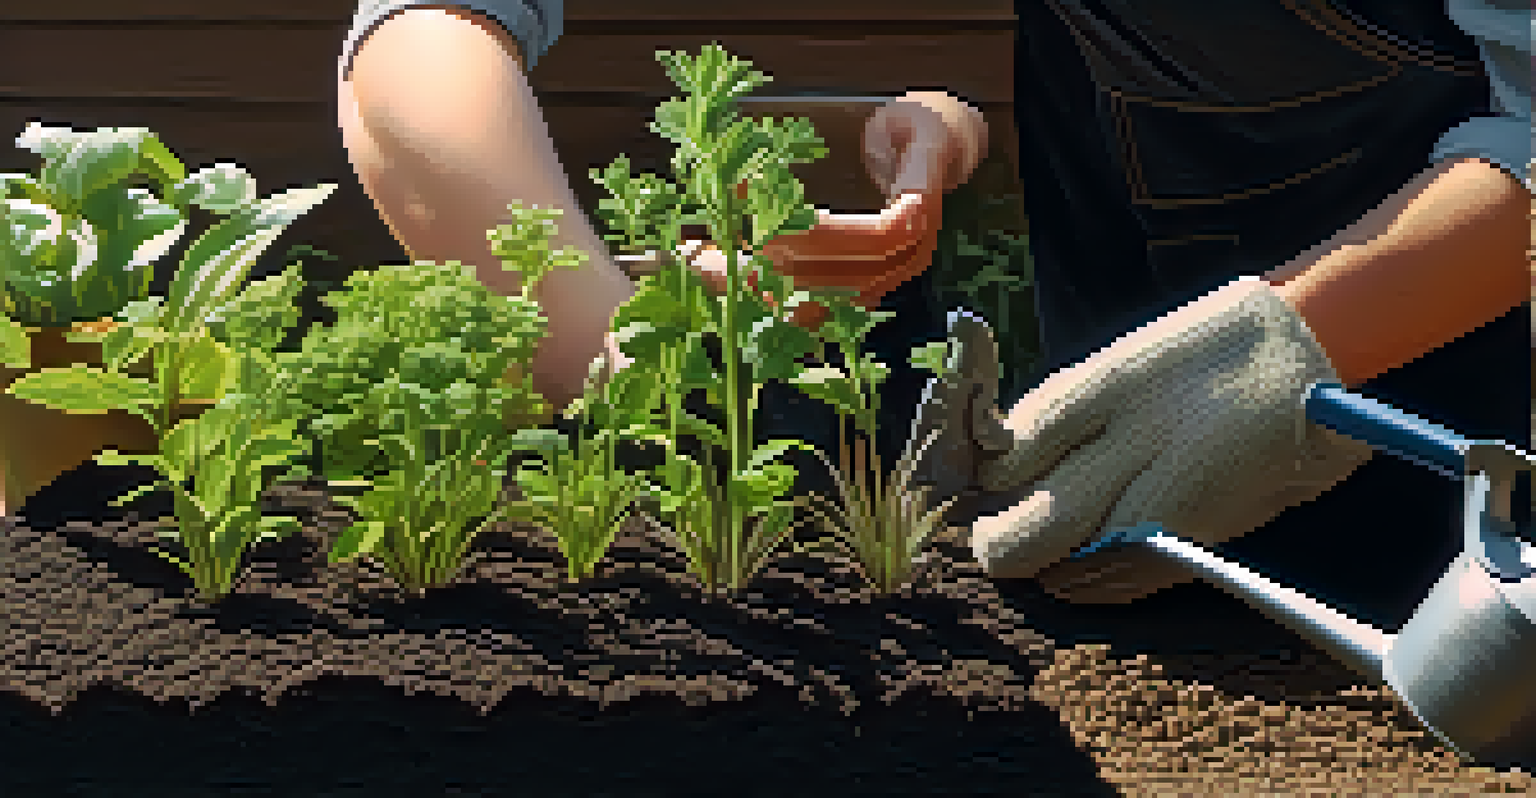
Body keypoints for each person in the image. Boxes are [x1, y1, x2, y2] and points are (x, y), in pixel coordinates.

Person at [337, 2, 1530, 618]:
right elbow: (419, 43)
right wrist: (608, 341)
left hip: (1475, 504)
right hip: (1122, 522)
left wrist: (1291, 348)